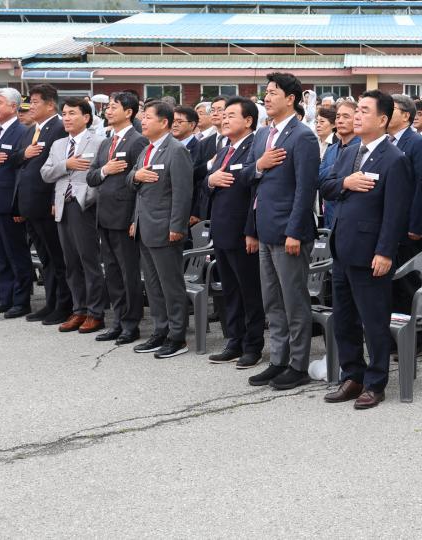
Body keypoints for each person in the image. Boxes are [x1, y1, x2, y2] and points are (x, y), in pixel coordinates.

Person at [320, 90, 413, 409]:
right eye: (355, 110)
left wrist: (385, 252)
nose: (356, 116)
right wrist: (346, 183)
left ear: (383, 119)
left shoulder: (394, 158)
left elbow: (395, 211)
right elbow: (327, 187)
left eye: (363, 111)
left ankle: (375, 382)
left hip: (371, 251)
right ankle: (352, 375)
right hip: (343, 247)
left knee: (373, 320)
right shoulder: (347, 151)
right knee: (344, 318)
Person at [244, 72, 320, 390]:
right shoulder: (263, 136)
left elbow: (306, 189)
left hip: (289, 231)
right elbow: (248, 178)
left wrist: (295, 231)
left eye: (273, 92)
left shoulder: (302, 136)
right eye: (266, 92)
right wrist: (260, 165)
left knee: (294, 301)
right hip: (264, 228)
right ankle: (278, 359)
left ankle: (298, 364)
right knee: (272, 300)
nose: (267, 97)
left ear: (291, 98)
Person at [127, 101, 194, 359]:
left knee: (170, 285)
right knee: (153, 286)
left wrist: (177, 225)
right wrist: (136, 177)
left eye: (147, 118)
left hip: (166, 228)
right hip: (145, 226)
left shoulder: (175, 150)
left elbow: (182, 192)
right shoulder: (147, 149)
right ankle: (160, 330)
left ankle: (177, 336)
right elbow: (133, 184)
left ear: (164, 122)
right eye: (142, 118)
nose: (142, 121)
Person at [205, 96, 266, 369]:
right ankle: (234, 341)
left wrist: (252, 230)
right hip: (221, 229)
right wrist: (209, 179)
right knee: (230, 290)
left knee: (249, 291)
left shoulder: (255, 147)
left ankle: (253, 346)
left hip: (243, 232)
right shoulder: (224, 150)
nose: (224, 119)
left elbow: (256, 193)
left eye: (231, 115)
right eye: (223, 115)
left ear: (249, 120)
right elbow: (211, 183)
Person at [86, 91, 148, 345]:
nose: (108, 111)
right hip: (104, 215)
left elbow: (140, 185)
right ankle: (118, 321)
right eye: (108, 107)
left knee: (128, 273)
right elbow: (91, 177)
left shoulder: (137, 141)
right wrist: (105, 169)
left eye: (114, 107)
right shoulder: (105, 143)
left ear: (129, 112)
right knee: (111, 272)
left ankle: (131, 324)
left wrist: (136, 218)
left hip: (125, 218)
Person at [41, 97, 107, 335]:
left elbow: (102, 175)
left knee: (89, 261)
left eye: (71, 114)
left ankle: (95, 313)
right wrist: (66, 164)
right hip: (62, 206)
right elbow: (46, 173)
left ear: (86, 117)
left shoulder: (100, 142)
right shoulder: (58, 144)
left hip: (85, 206)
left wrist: (89, 197)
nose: (66, 118)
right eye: (64, 114)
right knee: (71, 263)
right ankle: (78, 309)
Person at [17, 84, 71, 325]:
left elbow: (59, 169)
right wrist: (23, 154)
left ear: (50, 104)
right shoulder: (32, 130)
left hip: (48, 203)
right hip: (30, 203)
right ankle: (50, 303)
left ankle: (64, 305)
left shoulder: (59, 128)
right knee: (45, 258)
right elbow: (22, 161)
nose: (31, 106)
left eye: (36, 101)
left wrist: (52, 201)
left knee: (58, 258)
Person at [0, 87, 32, 318]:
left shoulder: (23, 131)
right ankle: (5, 297)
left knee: (17, 253)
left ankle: (21, 301)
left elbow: (24, 168)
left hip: (11, 203)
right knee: (1, 252)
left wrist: (19, 205)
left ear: (13, 106)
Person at [387, 94, 422, 315]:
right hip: (390, 224)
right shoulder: (386, 140)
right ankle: (396, 338)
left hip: (408, 227)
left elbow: (421, 187)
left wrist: (415, 225)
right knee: (392, 281)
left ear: (406, 115)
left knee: (408, 281)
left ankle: (415, 339)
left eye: (391, 108)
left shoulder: (417, 142)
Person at [318, 100, 359, 229]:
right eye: (338, 117)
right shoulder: (331, 149)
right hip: (330, 218)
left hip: (351, 220)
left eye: (346, 117)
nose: (340, 121)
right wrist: (341, 169)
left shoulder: (362, 149)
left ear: (357, 119)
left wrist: (333, 176)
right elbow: (318, 178)